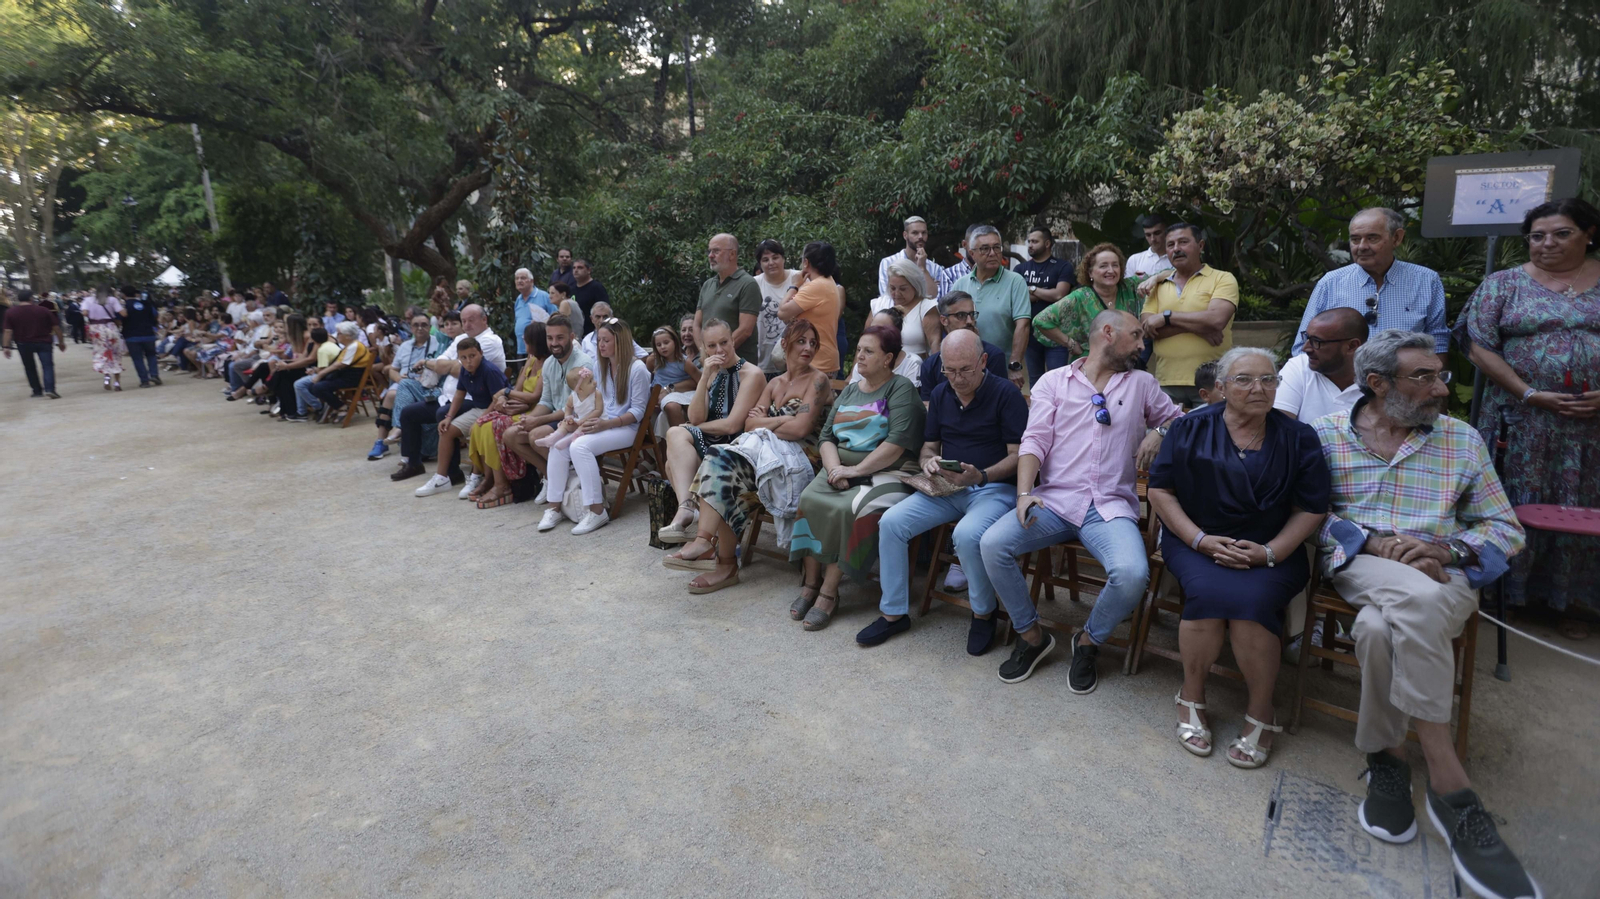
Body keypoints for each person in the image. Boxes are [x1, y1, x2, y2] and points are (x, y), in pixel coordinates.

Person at [1310, 330, 1535, 899]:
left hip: (1443, 571)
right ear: (1379, 384)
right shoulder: (1326, 437)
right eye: (1425, 377)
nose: (1442, 387)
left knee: (1380, 628)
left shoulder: (1461, 440)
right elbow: (1310, 517)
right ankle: (1449, 781)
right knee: (1421, 602)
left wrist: (1446, 549)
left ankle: (1388, 759)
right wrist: (1372, 541)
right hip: (1364, 567)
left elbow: (1505, 529)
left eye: (1441, 375)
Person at [1147, 347, 1331, 768]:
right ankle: (1191, 695)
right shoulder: (1189, 427)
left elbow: (1313, 507)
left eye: (1269, 380)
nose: (1259, 388)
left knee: (1252, 605)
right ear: (1222, 387)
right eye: (1245, 379)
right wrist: (1200, 540)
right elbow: (1161, 490)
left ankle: (1262, 710)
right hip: (1196, 540)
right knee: (1208, 595)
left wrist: (1270, 552)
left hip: (1272, 547)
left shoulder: (1299, 436)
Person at [979, 310, 1179, 692]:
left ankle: (1088, 641)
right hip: (1054, 501)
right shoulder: (1054, 382)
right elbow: (1034, 441)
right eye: (1136, 335)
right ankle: (1032, 636)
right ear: (1108, 333)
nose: (1142, 344)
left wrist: (1159, 429)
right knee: (992, 544)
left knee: (1134, 574)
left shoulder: (1142, 384)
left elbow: (1181, 418)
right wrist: (1024, 495)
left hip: (1109, 507)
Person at [1454, 197, 1600, 638]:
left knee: (1585, 503)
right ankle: (1506, 594)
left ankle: (1574, 600)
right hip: (1519, 421)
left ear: (1588, 234)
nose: (1547, 243)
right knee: (1510, 499)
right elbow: (1477, 343)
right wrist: (1529, 393)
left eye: (1561, 233)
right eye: (1537, 236)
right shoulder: (1504, 285)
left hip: (1593, 427)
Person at [857, 329, 1028, 650]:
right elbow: (928, 447)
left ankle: (983, 613)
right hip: (948, 486)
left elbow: (1020, 457)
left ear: (984, 361)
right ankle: (894, 614)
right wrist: (930, 463)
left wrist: (981, 476)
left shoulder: (1006, 394)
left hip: (993, 488)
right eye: (949, 370)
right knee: (891, 523)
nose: (957, 378)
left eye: (965, 370)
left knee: (966, 535)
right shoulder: (940, 394)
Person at [665, 320, 834, 593]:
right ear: (785, 343)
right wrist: (781, 421)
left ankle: (720, 558)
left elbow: (802, 429)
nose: (808, 348)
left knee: (723, 469)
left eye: (813, 343)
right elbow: (749, 425)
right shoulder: (775, 382)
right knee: (720, 461)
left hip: (803, 459)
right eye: (801, 341)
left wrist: (768, 420)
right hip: (768, 454)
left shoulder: (818, 380)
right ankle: (711, 548)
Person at [788, 326, 926, 630]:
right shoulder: (851, 389)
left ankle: (828, 592)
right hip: (840, 468)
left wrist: (854, 471)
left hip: (888, 472)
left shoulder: (900, 389)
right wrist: (835, 468)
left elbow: (897, 444)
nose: (859, 356)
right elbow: (826, 436)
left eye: (868, 351)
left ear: (888, 358)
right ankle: (810, 583)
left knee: (850, 508)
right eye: (859, 349)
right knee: (809, 499)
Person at [657, 319, 769, 542]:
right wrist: (705, 377)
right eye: (711, 346)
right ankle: (689, 510)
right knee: (675, 449)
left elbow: (732, 425)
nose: (719, 350)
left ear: (733, 341)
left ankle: (693, 517)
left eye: (724, 342)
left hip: (736, 446)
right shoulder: (714, 373)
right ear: (704, 349)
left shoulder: (751, 374)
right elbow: (695, 416)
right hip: (711, 441)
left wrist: (693, 427)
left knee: (675, 445)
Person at [538, 317, 651, 535]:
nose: (601, 345)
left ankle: (597, 511)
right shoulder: (602, 366)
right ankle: (554, 507)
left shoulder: (637, 369)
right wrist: (575, 420)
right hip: (603, 422)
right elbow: (589, 401)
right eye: (600, 340)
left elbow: (637, 412)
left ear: (621, 342)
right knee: (558, 445)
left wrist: (606, 424)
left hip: (625, 428)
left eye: (606, 340)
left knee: (579, 447)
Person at [1293, 208, 1448, 356]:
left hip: (1403, 380)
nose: (1362, 247)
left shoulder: (1426, 281)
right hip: (1342, 382)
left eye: (1372, 238)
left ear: (1397, 238)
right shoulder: (1330, 283)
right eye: (1355, 239)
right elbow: (1303, 345)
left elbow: (1438, 342)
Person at [390, 305, 505, 481]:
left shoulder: (490, 341)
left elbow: (459, 369)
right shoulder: (461, 337)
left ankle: (452, 474)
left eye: (471, 320)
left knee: (442, 414)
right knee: (409, 413)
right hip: (447, 397)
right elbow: (441, 364)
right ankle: (413, 463)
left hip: (475, 400)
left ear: (484, 319)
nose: (466, 325)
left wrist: (445, 365)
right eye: (464, 320)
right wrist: (444, 365)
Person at [1139, 223, 1239, 407]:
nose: (1176, 249)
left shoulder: (1222, 279)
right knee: (1166, 435)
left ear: (1200, 246)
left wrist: (1165, 318)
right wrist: (1200, 328)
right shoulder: (1158, 286)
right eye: (1170, 245)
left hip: (1212, 381)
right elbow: (1147, 329)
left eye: (1183, 242)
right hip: (1166, 381)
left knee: (1210, 434)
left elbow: (1216, 320)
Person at [498, 314, 593, 495]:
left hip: (578, 420)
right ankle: (553, 477)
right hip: (557, 418)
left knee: (536, 435)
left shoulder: (583, 364)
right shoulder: (549, 363)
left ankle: (563, 480)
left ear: (571, 337)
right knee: (510, 433)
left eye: (560, 337)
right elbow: (546, 401)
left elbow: (576, 409)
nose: (554, 343)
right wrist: (528, 418)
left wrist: (536, 421)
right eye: (550, 338)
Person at [412, 336, 512, 497]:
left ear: (481, 353)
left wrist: (482, 419)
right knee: (446, 430)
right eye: (463, 358)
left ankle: (476, 476)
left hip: (497, 409)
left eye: (472, 356)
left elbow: (498, 399)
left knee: (477, 430)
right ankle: (441, 478)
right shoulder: (464, 370)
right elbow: (460, 393)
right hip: (479, 408)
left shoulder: (489, 370)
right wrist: (449, 417)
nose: (468, 361)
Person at [464, 322, 550, 506]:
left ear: (536, 342)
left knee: (493, 427)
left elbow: (535, 396)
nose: (525, 346)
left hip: (534, 410)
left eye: (527, 342)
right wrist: (505, 400)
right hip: (519, 406)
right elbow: (517, 388)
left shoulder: (548, 363)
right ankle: (489, 478)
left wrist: (506, 393)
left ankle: (502, 484)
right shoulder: (531, 360)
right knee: (480, 425)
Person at [1032, 242, 1142, 371]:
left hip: (1126, 367)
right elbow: (1041, 320)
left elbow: (1168, 272)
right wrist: (1070, 343)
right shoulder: (1080, 297)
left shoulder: (1130, 287)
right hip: (1091, 369)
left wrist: (1154, 279)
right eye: (1103, 266)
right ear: (1090, 273)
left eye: (1115, 265)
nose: (1111, 270)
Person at [951, 225, 1030, 388]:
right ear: (972, 253)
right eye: (985, 249)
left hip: (1002, 367)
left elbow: (1022, 325)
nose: (992, 253)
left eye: (996, 247)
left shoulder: (1015, 281)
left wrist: (1015, 364)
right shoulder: (961, 284)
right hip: (967, 367)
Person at [367, 312, 448, 459]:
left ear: (430, 327)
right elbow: (393, 369)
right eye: (416, 325)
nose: (420, 328)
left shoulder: (439, 343)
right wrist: (398, 379)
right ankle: (381, 442)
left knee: (393, 394)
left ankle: (398, 432)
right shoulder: (404, 346)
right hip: (402, 381)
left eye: (424, 325)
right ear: (410, 328)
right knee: (392, 394)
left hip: (427, 384)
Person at [1277, 307, 1368, 423]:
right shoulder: (1298, 367)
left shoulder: (1379, 380)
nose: (1305, 348)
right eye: (1307, 337)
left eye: (1317, 341)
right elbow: (1278, 429)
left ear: (1352, 346)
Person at [1013, 226, 1076, 384]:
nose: (1030, 245)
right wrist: (1045, 293)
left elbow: (1059, 295)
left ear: (1047, 243)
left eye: (1035, 241)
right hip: (1030, 335)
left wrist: (1031, 289)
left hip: (1056, 335)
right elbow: (1017, 299)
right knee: (1036, 381)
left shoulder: (1063, 266)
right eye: (1029, 242)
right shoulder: (1020, 269)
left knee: (1058, 380)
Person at [919, 292, 1007, 401]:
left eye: (972, 314)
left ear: (983, 361)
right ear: (944, 320)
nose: (970, 321)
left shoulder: (993, 356)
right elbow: (928, 404)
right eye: (961, 315)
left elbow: (997, 401)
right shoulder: (930, 365)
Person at [776, 241, 844, 376]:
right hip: (820, 358)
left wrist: (794, 286)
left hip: (814, 361)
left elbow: (782, 313)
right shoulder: (829, 282)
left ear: (806, 262)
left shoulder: (816, 287)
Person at [696, 234, 764, 365]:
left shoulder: (748, 284)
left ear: (732, 254)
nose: (710, 255)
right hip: (711, 365)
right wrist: (704, 353)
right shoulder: (707, 285)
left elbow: (745, 330)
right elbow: (697, 324)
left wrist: (717, 353)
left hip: (739, 367)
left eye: (716, 251)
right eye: (709, 251)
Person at [869, 259, 940, 358]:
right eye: (892, 288)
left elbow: (935, 344)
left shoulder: (927, 307)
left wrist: (936, 371)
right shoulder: (879, 304)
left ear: (915, 286)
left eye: (903, 289)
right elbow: (864, 341)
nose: (897, 294)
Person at [3, 290, 66, 398]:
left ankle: (36, 390)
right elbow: (56, 328)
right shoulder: (43, 310)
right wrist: (61, 342)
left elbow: (8, 331)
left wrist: (6, 347)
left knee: (29, 367)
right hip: (44, 342)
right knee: (47, 366)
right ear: (31, 298)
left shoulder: (11, 312)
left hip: (23, 343)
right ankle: (50, 389)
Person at [306, 321, 372, 421]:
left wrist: (320, 374)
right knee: (312, 386)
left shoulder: (354, 346)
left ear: (348, 336)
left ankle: (341, 407)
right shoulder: (349, 346)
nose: (337, 335)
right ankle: (337, 406)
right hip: (344, 375)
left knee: (318, 387)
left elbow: (340, 364)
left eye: (339, 333)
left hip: (351, 378)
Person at [753, 239, 799, 376]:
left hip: (794, 358)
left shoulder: (799, 278)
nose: (771, 263)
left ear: (783, 259)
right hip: (762, 359)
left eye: (775, 257)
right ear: (760, 264)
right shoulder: (753, 284)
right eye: (765, 260)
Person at [847, 308, 922, 386]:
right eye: (872, 328)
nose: (874, 333)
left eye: (882, 330)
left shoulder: (912, 364)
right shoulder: (862, 365)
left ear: (897, 333)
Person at [876, 215, 942, 298]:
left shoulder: (935, 268)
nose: (920, 237)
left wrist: (923, 269)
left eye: (924, 233)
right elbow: (887, 297)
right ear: (905, 235)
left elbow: (936, 298)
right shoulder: (888, 262)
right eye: (915, 233)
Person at [648, 324, 699, 428]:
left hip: (683, 392)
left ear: (675, 342)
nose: (662, 347)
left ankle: (692, 436)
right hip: (661, 395)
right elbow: (647, 378)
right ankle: (678, 437)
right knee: (672, 406)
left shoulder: (685, 362)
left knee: (688, 407)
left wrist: (669, 388)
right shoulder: (653, 360)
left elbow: (699, 380)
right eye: (658, 344)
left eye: (666, 343)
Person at [81, 286, 125, 391]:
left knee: (102, 353)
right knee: (115, 354)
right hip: (110, 327)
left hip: (96, 329)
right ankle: (117, 383)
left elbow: (84, 313)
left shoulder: (88, 300)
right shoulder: (112, 300)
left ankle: (106, 378)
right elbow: (123, 313)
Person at [119, 287, 163, 387]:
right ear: (135, 294)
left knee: (137, 358)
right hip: (148, 334)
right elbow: (155, 314)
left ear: (124, 295)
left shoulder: (124, 307)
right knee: (151, 355)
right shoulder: (146, 303)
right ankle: (154, 375)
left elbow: (120, 319)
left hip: (132, 336)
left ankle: (144, 380)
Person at [510, 267, 555, 354]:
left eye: (523, 278)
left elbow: (556, 317)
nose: (519, 281)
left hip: (539, 348)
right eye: (517, 278)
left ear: (531, 281)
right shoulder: (518, 300)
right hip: (521, 349)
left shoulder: (544, 296)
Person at [1125, 213, 1171, 279]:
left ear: (1167, 232)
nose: (1153, 239)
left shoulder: (1177, 258)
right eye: (1148, 235)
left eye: (1157, 233)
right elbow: (1128, 287)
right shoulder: (1134, 260)